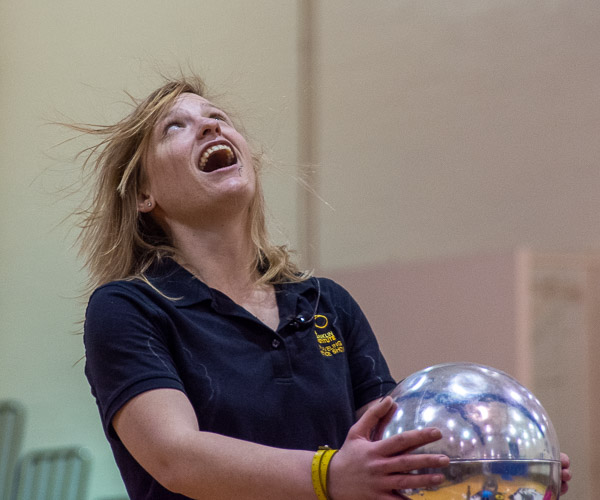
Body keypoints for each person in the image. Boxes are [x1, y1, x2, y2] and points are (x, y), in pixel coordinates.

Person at [78, 75, 571, 499]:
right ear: (144, 194)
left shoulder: (326, 303)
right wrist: (328, 474)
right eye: (175, 127)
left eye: (218, 117)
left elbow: (392, 452)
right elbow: (175, 457)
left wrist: (503, 464)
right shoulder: (128, 308)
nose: (211, 126)